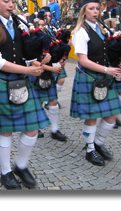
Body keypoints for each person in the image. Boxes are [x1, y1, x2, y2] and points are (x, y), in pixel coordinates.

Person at [0, 0, 51, 190]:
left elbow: (24, 54)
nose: (10, 5)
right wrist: (28, 71)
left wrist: (37, 61)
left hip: (20, 80)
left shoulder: (19, 23)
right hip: (0, 82)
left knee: (32, 128)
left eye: (13, 1)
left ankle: (21, 165)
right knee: (5, 130)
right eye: (6, 1)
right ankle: (5, 172)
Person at [70, 0, 121, 166]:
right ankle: (89, 150)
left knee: (112, 114)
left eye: (97, 8)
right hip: (89, 76)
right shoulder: (80, 32)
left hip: (103, 75)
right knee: (92, 117)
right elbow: (83, 60)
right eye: (91, 9)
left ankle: (98, 143)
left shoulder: (101, 29)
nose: (95, 11)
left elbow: (106, 52)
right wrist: (106, 69)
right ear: (84, 12)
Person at [31, 9, 67, 141]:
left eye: (42, 24)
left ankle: (54, 129)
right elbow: (31, 62)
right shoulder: (30, 38)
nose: (41, 27)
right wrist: (50, 68)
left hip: (47, 73)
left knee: (53, 100)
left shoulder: (48, 36)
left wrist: (60, 59)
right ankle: (37, 126)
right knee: (38, 101)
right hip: (35, 73)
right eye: (38, 25)